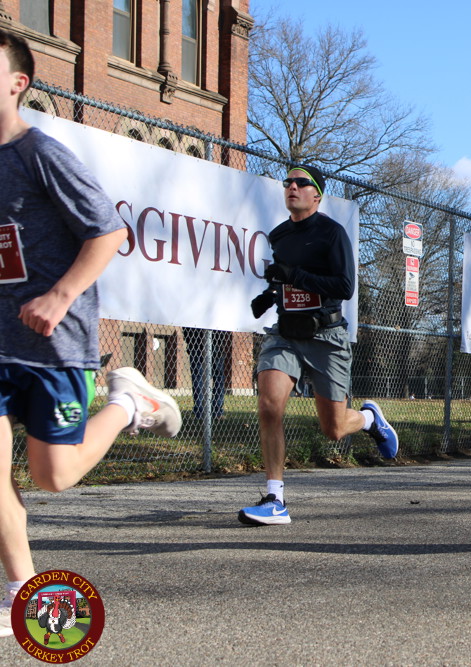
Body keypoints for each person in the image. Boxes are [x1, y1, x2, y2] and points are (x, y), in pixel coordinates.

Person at [0, 29, 181, 637]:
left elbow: (108, 233)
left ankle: (130, 403)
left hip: (54, 343)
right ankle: (21, 593)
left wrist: (58, 296)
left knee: (52, 476)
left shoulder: (39, 154)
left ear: (18, 83)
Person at [238, 164, 398, 526]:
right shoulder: (280, 235)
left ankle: (370, 420)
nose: (292, 187)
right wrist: (270, 295)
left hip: (326, 335)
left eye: (301, 182)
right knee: (269, 404)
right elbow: (283, 280)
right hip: (286, 333)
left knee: (334, 429)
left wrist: (294, 275)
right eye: (288, 182)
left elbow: (344, 287)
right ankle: (275, 499)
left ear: (317, 195)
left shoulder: (331, 233)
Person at [183, 327, 231, 421]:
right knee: (204, 377)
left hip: (205, 342)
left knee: (209, 377)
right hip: (200, 343)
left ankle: (206, 411)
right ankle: (209, 411)